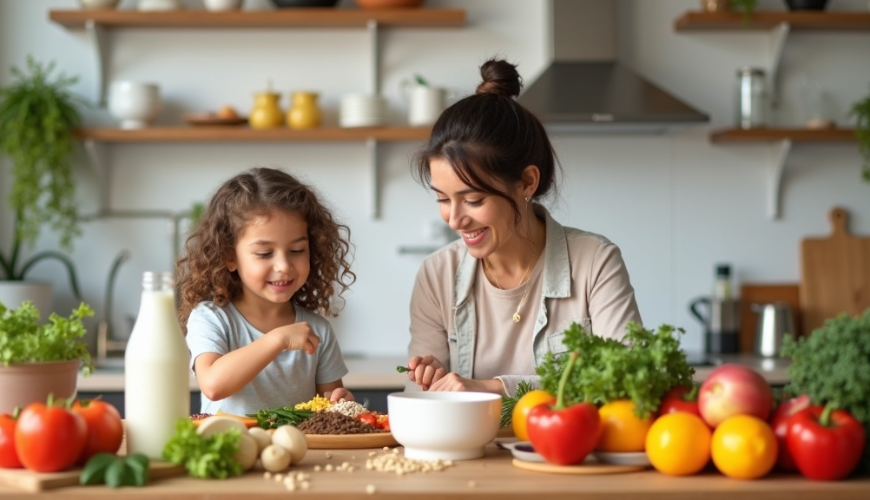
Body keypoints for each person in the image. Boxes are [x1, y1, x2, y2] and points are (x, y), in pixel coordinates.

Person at [405, 59, 642, 397]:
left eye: (472, 200)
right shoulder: (436, 275)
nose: (455, 220)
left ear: (528, 182)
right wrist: (430, 383)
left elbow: (626, 380)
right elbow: (419, 403)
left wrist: (493, 388)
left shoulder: (595, 262)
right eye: (443, 199)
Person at [177, 167, 357, 415]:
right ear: (230, 257)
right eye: (264, 254)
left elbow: (327, 408)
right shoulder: (211, 317)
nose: (283, 266)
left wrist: (341, 404)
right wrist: (277, 340)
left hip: (298, 454)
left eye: (296, 251)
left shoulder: (316, 331)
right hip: (234, 451)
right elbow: (213, 385)